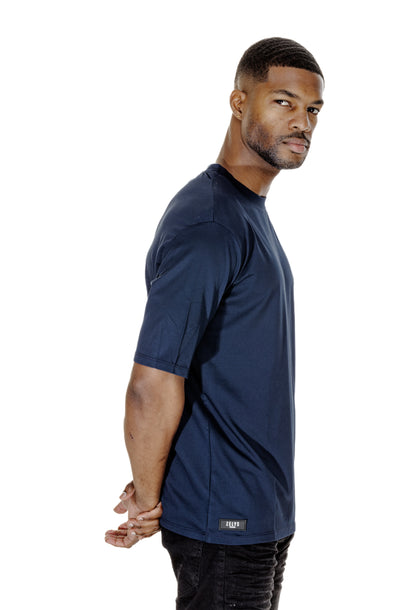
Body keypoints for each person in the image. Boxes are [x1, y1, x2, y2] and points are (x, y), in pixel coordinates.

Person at [105, 37, 324, 609]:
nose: (302, 122)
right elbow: (152, 381)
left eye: (312, 109)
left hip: (259, 513)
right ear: (238, 102)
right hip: (223, 520)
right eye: (283, 102)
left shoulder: (245, 213)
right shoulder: (210, 226)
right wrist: (148, 497)